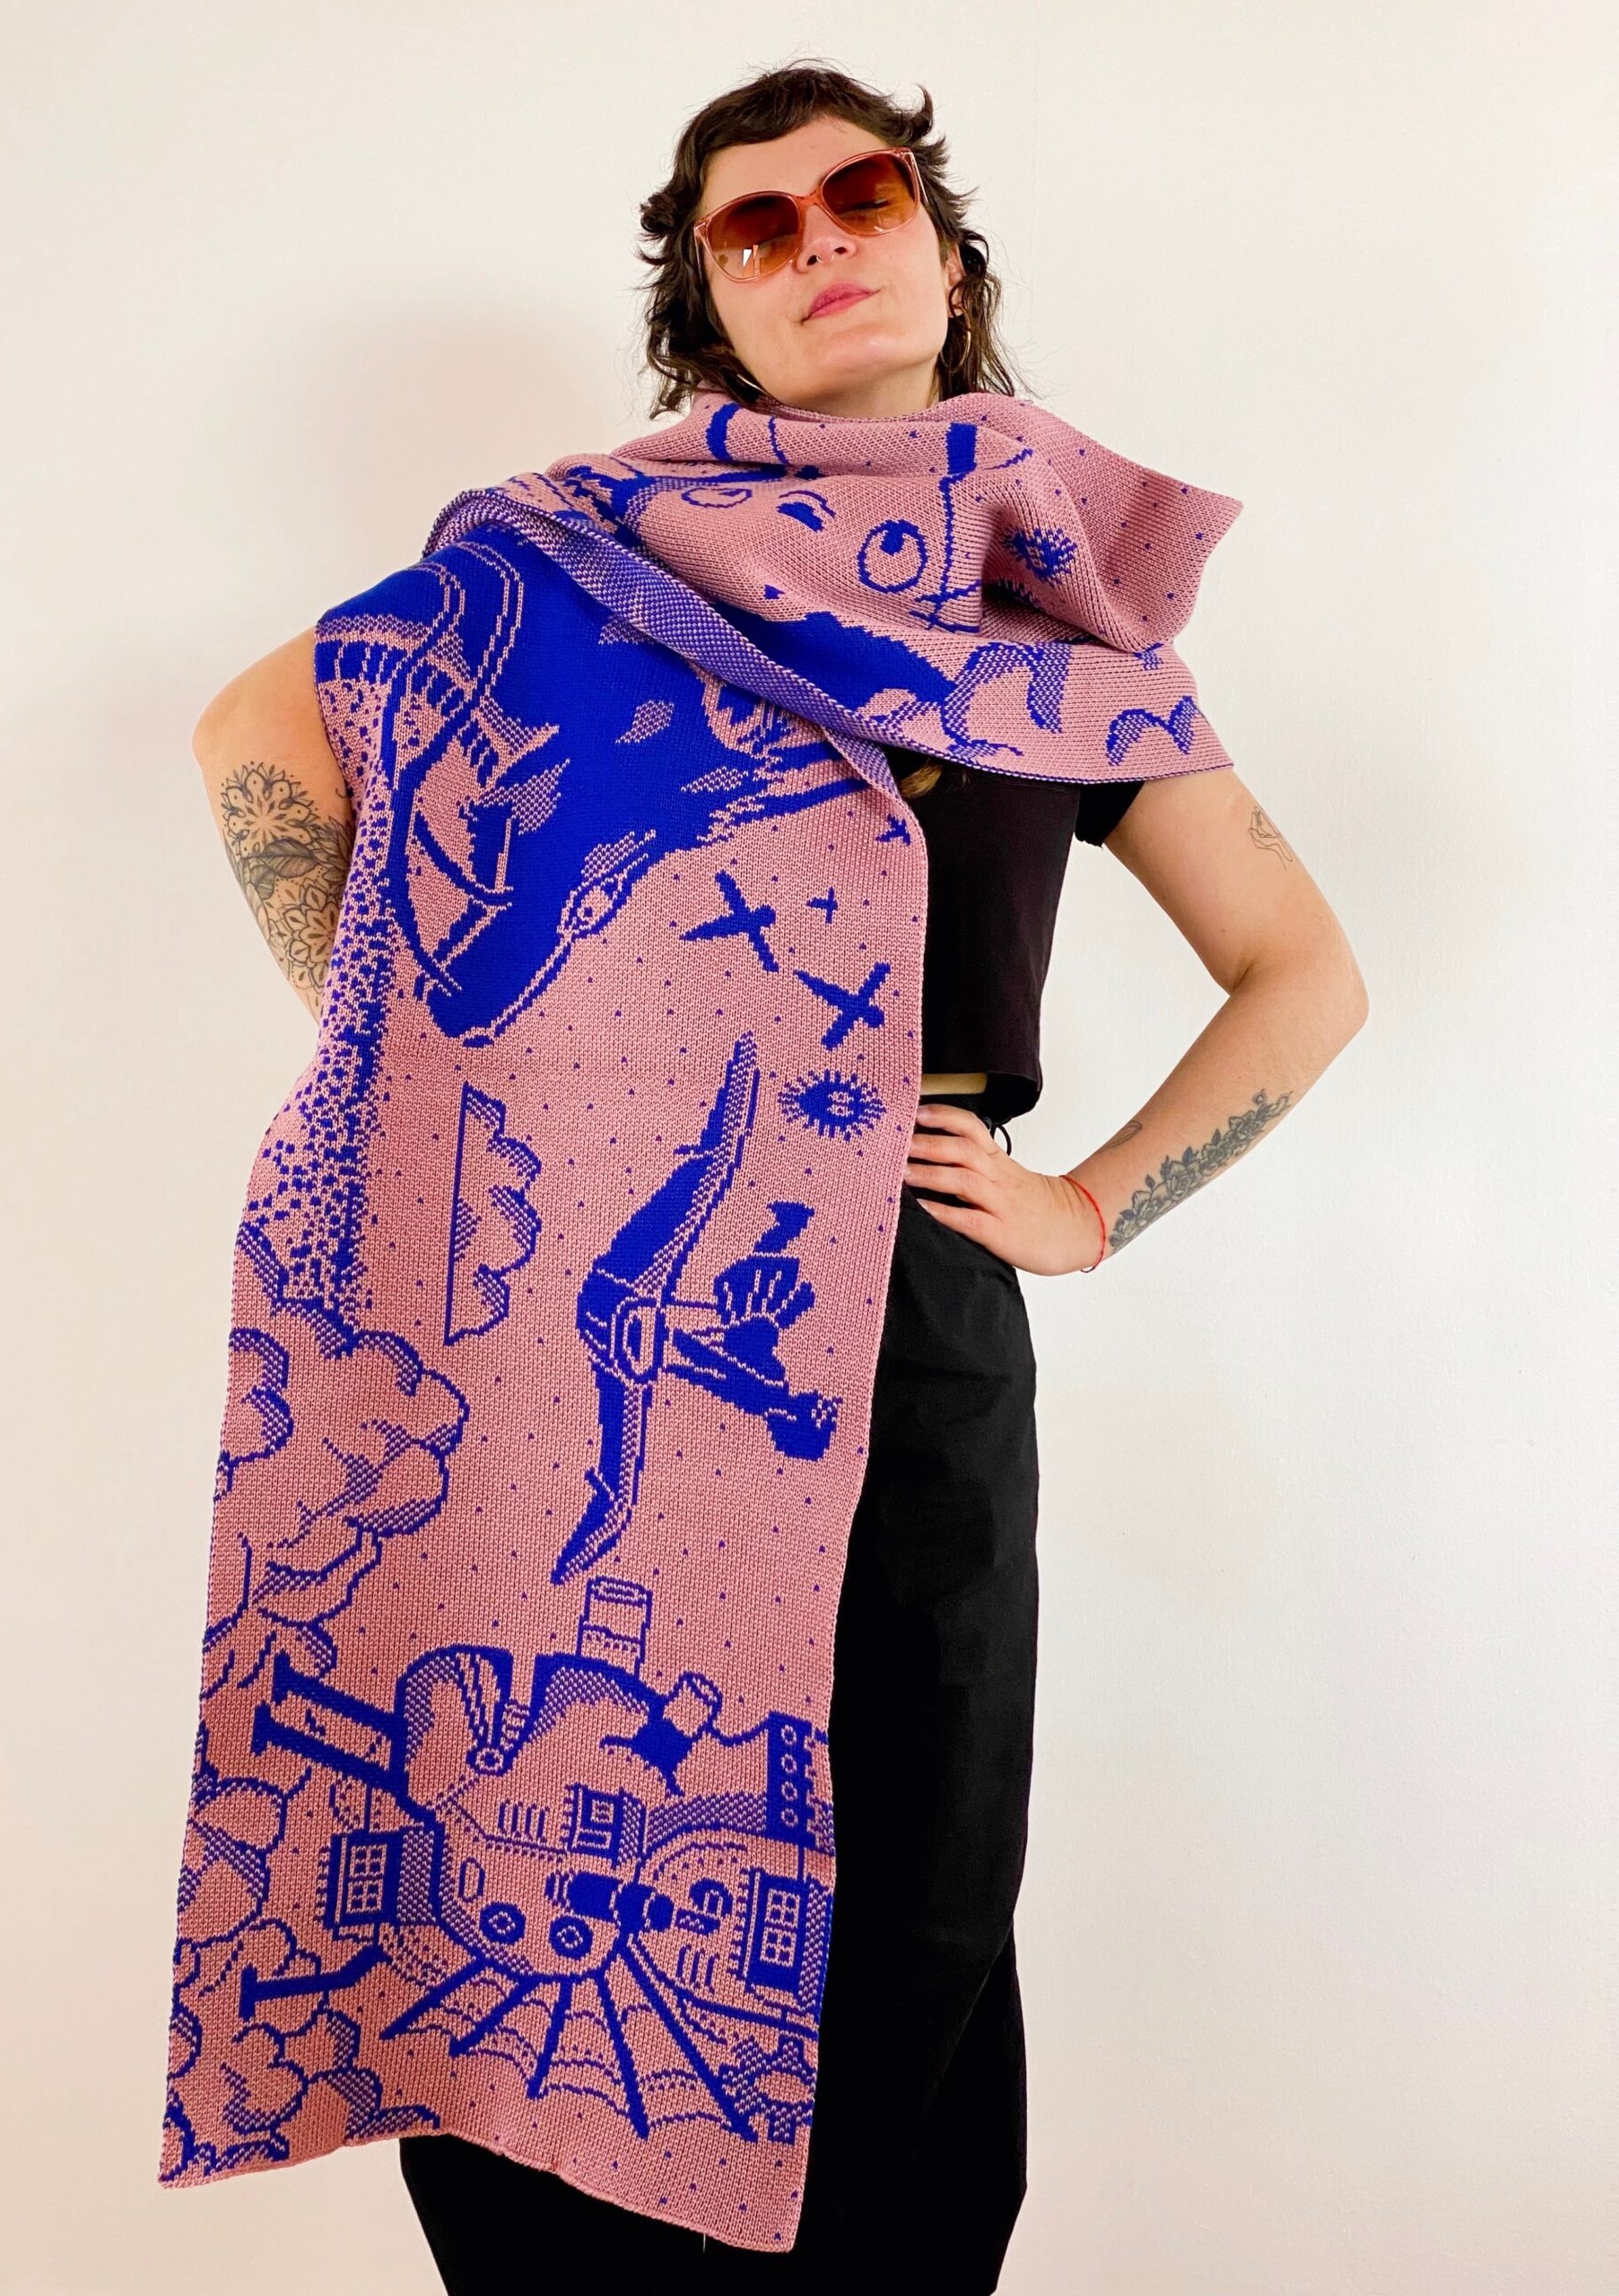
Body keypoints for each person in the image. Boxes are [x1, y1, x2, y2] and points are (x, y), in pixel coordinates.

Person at [188, 61, 1366, 2296]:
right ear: (708, 314)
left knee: (909, 1868)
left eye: (865, 193)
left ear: (945, 250)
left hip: (909, 1300)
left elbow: (1303, 969)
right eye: (756, 225)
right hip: (579, 1298)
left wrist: (1091, 1199)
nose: (820, 238)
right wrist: (408, 1053)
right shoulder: (574, 568)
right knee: (537, 1825)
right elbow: (259, 725)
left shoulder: (1060, 639)